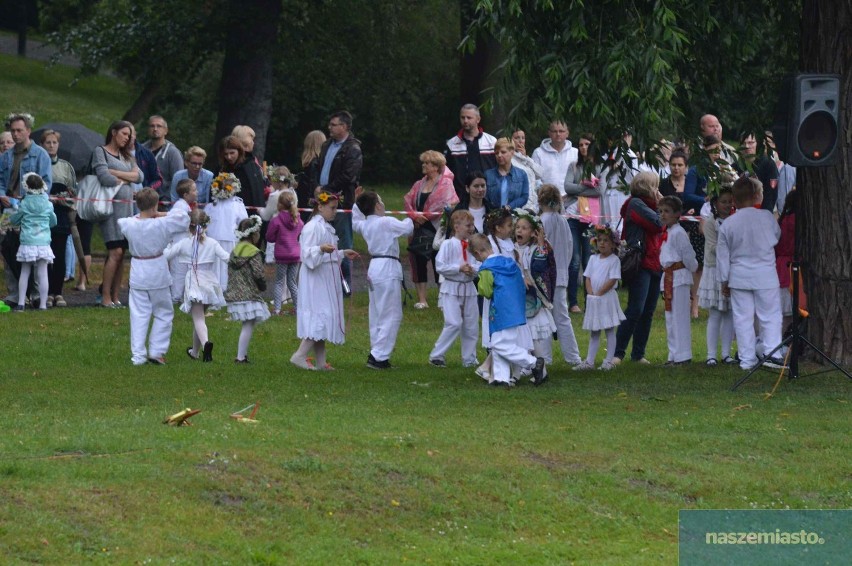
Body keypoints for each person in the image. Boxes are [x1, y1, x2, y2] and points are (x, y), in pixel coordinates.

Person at [117, 187, 190, 365]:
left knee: (139, 314)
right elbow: (184, 219)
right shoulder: (161, 223)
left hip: (138, 270)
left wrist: (150, 213)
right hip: (157, 269)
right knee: (163, 312)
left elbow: (124, 221)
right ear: (155, 206)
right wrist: (159, 214)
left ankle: (138, 356)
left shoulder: (129, 223)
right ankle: (156, 352)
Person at [718, 176, 784, 370]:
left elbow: (723, 256)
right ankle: (772, 352)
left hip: (739, 276)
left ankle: (747, 359)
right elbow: (776, 237)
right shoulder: (767, 217)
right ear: (757, 196)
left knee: (743, 318)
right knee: (770, 315)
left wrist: (724, 280)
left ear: (735, 200)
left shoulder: (729, 224)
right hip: (765, 273)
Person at [290, 192, 359, 370]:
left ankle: (321, 362)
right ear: (320, 207)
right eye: (332, 208)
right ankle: (299, 355)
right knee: (321, 315)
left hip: (325, 276)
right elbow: (306, 254)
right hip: (316, 279)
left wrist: (342, 253)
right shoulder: (313, 227)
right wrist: (320, 249)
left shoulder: (326, 226)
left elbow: (328, 252)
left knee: (324, 316)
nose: (335, 212)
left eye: (336, 208)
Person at [470, 233, 546, 387]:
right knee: (504, 341)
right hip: (516, 308)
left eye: (476, 257)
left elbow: (486, 291)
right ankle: (501, 377)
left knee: (498, 344)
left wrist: (477, 282)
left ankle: (533, 362)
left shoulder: (486, 268)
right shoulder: (508, 262)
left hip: (500, 310)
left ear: (477, 253)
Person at [353, 189, 414, 370]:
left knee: (377, 312)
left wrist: (357, 202)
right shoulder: (386, 221)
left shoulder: (365, 224)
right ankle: (378, 356)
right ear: (378, 205)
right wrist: (411, 216)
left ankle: (378, 351)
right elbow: (407, 228)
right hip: (387, 267)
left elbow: (355, 220)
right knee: (392, 314)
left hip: (375, 267)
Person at [612, 172, 665, 365]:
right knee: (636, 308)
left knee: (648, 310)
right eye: (655, 186)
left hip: (655, 260)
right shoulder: (635, 204)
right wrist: (661, 206)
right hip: (640, 262)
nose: (658, 190)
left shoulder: (649, 206)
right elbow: (659, 223)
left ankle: (638, 353)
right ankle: (618, 353)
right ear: (648, 187)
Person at [0, 112, 52, 307]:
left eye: (19, 130)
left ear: (28, 131)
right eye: (12, 131)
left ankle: (37, 294)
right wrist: (2, 194)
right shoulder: (6, 156)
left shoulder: (40, 155)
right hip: (8, 208)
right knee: (7, 248)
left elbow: (47, 184)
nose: (15, 134)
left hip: (31, 210)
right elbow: (0, 180)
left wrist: (28, 201)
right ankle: (14, 294)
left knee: (36, 253)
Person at [165, 209, 229, 362]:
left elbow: (167, 255)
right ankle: (195, 352)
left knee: (198, 318)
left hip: (194, 281)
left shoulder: (184, 243)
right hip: (209, 281)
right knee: (199, 319)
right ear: (206, 226)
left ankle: (206, 343)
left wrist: (168, 244)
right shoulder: (213, 243)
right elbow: (227, 258)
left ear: (189, 226)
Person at [91, 120, 142, 308]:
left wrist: (116, 172)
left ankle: (115, 296)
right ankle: (104, 296)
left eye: (129, 135)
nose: (127, 138)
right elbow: (105, 178)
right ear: (114, 132)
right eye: (124, 133)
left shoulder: (127, 155)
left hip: (127, 211)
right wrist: (127, 176)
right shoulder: (100, 152)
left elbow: (140, 176)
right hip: (110, 211)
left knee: (122, 254)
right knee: (115, 252)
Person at [403, 150, 459, 309]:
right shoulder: (418, 184)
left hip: (437, 227)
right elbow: (408, 201)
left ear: (436, 166)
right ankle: (422, 299)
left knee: (438, 261)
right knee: (418, 260)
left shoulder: (446, 183)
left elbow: (448, 203)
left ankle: (442, 298)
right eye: (424, 162)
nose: (424, 165)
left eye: (427, 163)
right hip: (419, 227)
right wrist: (415, 217)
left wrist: (426, 216)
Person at [316, 111, 362, 292]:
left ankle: (345, 287)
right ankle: (324, 284)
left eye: (334, 124)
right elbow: (319, 169)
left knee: (342, 244)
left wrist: (327, 189)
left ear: (344, 127)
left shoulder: (353, 149)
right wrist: (317, 187)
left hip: (341, 204)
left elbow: (349, 176)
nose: (330, 127)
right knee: (321, 239)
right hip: (322, 199)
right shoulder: (327, 145)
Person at [428, 210, 480, 368]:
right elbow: (440, 266)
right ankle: (437, 355)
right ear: (456, 226)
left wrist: (473, 269)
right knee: (453, 322)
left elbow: (481, 262)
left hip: (469, 288)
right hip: (451, 287)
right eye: (468, 225)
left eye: (472, 225)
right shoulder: (448, 244)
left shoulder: (473, 245)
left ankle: (469, 358)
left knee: (471, 325)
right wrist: (458, 268)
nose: (471, 228)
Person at [538, 184, 583, 366]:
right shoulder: (563, 221)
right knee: (562, 316)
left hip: (546, 275)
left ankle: (545, 357)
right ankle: (573, 356)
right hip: (561, 273)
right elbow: (570, 247)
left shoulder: (541, 222)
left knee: (544, 317)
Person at [573, 225, 625, 371]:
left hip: (606, 298)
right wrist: (591, 294)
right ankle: (589, 361)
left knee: (609, 329)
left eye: (606, 240)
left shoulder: (614, 260)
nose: (602, 243)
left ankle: (608, 361)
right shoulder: (593, 259)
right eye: (600, 240)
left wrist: (600, 293)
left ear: (613, 244)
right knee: (594, 331)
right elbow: (587, 277)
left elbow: (613, 279)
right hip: (594, 299)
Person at [661, 148, 705, 318]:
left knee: (696, 266)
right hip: (672, 229)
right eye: (673, 165)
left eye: (680, 165)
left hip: (692, 228)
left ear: (686, 167)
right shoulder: (664, 184)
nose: (676, 168)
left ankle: (694, 303)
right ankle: (677, 299)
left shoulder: (692, 182)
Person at [563, 133, 604, 313]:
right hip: (573, 216)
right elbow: (567, 187)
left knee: (588, 259)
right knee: (574, 261)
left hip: (590, 218)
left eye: (587, 144)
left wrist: (579, 189)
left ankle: (590, 300)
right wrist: (586, 187)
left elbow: (600, 190)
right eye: (580, 145)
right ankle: (572, 301)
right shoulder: (573, 166)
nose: (583, 148)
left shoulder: (599, 167)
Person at [474, 207, 516, 382]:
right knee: (498, 334)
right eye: (509, 225)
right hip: (497, 296)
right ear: (498, 228)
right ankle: (495, 371)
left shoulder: (510, 243)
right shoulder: (490, 244)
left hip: (509, 295)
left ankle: (492, 369)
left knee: (507, 334)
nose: (512, 228)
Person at [514, 208, 558, 371]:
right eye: (517, 227)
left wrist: (540, 243)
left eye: (524, 228)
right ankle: (526, 365)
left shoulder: (538, 249)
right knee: (522, 333)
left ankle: (541, 363)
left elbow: (540, 266)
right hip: (520, 299)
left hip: (535, 299)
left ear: (533, 233)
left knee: (537, 333)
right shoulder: (512, 248)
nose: (519, 230)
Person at [225, 215, 272, 363]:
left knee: (248, 324)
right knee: (248, 325)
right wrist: (262, 286)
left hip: (235, 293)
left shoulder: (235, 251)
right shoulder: (253, 252)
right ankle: (240, 356)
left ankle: (242, 355)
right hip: (249, 293)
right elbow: (258, 273)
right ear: (254, 234)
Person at [658, 195, 698, 365]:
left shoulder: (679, 233)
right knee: (670, 317)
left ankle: (683, 355)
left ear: (677, 214)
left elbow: (688, 255)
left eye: (667, 211)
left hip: (679, 277)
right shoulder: (667, 233)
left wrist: (692, 267)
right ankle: (673, 354)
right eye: (661, 211)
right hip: (668, 277)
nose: (663, 215)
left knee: (679, 316)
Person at [699, 188, 736, 365]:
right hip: (714, 270)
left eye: (730, 201)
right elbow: (713, 247)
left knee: (729, 313)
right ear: (715, 204)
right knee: (715, 313)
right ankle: (711, 354)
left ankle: (726, 353)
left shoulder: (735, 221)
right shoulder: (711, 223)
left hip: (731, 269)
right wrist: (730, 250)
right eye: (724, 202)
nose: (727, 205)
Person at [9, 173, 56, 311]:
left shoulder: (24, 203)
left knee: (25, 271)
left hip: (28, 241)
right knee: (42, 273)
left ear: (26, 186)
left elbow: (15, 220)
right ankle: (42, 304)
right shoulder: (48, 204)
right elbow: (53, 221)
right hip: (43, 242)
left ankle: (21, 303)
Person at [41, 129, 76, 307]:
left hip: (60, 214)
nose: (52, 145)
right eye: (48, 142)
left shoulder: (66, 166)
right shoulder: (38, 165)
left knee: (59, 254)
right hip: (42, 216)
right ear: (42, 144)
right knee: (45, 255)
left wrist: (65, 198)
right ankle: (45, 292)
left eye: (54, 142)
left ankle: (58, 292)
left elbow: (74, 192)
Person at [444, 104, 497, 201]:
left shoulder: (491, 142)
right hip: (460, 196)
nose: (465, 121)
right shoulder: (452, 144)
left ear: (478, 119)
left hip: (488, 196)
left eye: (469, 118)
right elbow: (447, 173)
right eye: (462, 117)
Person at [206, 170, 248, 288]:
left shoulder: (237, 203)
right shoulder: (212, 205)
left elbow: (243, 222)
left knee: (226, 264)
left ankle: (227, 287)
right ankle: (217, 287)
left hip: (230, 239)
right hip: (214, 239)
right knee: (216, 264)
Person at [265, 191, 303, 315]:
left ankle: (277, 309)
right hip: (295, 254)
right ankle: (298, 308)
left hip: (282, 255)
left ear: (280, 204)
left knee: (279, 282)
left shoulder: (276, 220)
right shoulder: (298, 219)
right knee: (292, 282)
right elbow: (301, 232)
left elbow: (269, 237)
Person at [167, 178, 198, 303]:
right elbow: (177, 221)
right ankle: (175, 297)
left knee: (184, 270)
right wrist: (191, 220)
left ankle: (181, 296)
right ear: (186, 194)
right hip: (179, 243)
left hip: (185, 243)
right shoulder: (179, 207)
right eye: (194, 190)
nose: (197, 192)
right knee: (179, 272)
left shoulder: (186, 206)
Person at [735, 132, 779, 214]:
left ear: (757, 144)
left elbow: (771, 193)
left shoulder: (768, 164)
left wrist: (765, 214)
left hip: (762, 211)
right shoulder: (737, 165)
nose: (747, 146)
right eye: (743, 143)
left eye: (750, 143)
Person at [531, 120, 577, 196]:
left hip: (572, 199)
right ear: (549, 133)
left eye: (561, 131)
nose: (558, 134)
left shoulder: (575, 153)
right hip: (547, 199)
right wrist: (545, 193)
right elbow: (534, 178)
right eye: (554, 131)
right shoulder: (538, 153)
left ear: (567, 133)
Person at [142, 115, 183, 201]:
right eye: (152, 126)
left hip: (164, 201)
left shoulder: (173, 153)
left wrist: (165, 199)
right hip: (142, 198)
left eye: (159, 126)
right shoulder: (141, 150)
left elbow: (178, 179)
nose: (155, 129)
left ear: (166, 131)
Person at [230, 125, 269, 212]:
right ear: (246, 142)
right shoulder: (244, 164)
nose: (253, 143)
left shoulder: (251, 162)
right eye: (252, 139)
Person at [775, 189, 798, 337]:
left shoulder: (782, 220)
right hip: (790, 267)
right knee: (789, 312)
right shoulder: (795, 220)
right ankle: (783, 343)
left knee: (781, 312)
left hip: (779, 265)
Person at [484, 138, 529, 209]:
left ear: (512, 152)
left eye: (503, 152)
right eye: (496, 153)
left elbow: (524, 197)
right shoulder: (488, 175)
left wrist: (510, 206)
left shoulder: (522, 174)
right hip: (493, 217)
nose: (499, 155)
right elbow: (484, 198)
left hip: (514, 216)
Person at [296, 130, 326, 223]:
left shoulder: (311, 163)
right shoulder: (318, 163)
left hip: (306, 202)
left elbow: (312, 183)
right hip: (311, 201)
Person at [450, 171, 493, 236]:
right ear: (467, 188)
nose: (480, 189)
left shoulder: (492, 209)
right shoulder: (459, 210)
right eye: (476, 186)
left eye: (483, 186)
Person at [511, 129, 543, 210]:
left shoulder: (526, 159)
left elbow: (540, 174)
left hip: (533, 205)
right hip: (519, 205)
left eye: (523, 138)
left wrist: (525, 157)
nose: (520, 141)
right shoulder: (509, 160)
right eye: (517, 138)